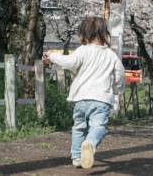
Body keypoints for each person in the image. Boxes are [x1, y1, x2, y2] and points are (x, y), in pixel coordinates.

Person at [43, 17, 125, 169]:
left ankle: (76, 157)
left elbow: (69, 62)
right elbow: (120, 73)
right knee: (98, 126)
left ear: (84, 34)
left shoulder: (82, 50)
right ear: (103, 33)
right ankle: (90, 143)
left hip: (80, 97)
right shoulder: (111, 54)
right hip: (101, 98)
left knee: (79, 127)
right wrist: (116, 89)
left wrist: (52, 56)